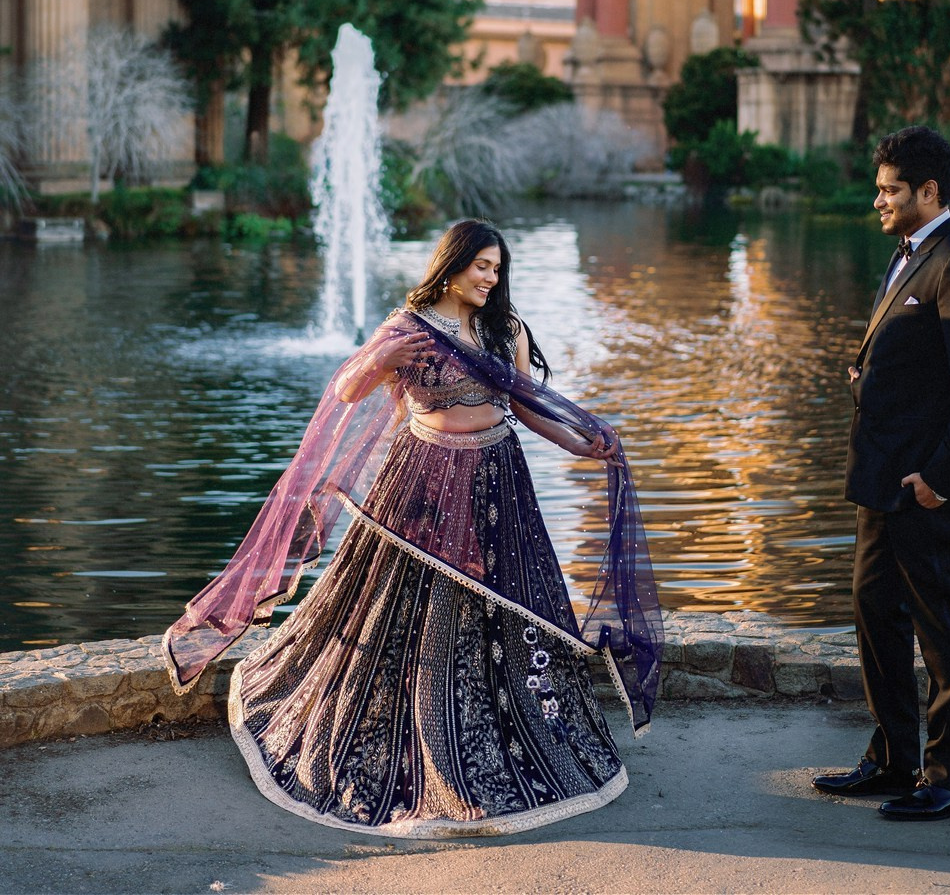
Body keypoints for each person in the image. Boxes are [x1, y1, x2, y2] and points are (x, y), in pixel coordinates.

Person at [163, 219, 661, 837]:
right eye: (481, 265)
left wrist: (581, 445)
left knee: (506, 607)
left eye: (497, 268)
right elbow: (346, 392)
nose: (490, 278)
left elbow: (529, 406)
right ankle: (423, 736)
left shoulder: (506, 330)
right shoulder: (407, 328)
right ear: (450, 266)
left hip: (497, 482)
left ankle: (505, 728)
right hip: (424, 486)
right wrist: (380, 356)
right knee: (406, 611)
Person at [812, 126, 950, 821]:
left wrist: (941, 478)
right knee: (874, 611)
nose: (878, 200)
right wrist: (867, 379)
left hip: (925, 485)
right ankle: (894, 761)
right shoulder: (906, 258)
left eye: (891, 190)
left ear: (929, 192)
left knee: (941, 622)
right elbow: (919, 363)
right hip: (881, 478)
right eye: (879, 187)